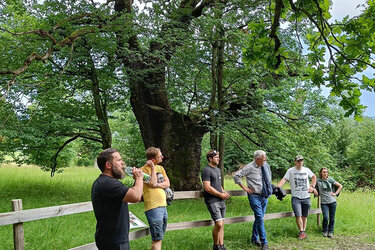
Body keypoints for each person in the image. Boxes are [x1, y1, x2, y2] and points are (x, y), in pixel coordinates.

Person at [91, 148, 143, 250]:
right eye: (119, 160)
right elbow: (135, 196)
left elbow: (132, 194)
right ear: (108, 165)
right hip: (114, 241)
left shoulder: (107, 182)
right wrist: (139, 178)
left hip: (113, 239)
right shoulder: (107, 183)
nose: (123, 163)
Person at [233, 150, 272, 250]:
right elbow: (236, 176)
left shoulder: (265, 166)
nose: (265, 160)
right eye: (263, 158)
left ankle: (254, 239)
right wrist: (244, 188)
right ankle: (264, 242)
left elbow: (268, 179)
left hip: (264, 195)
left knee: (259, 218)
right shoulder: (250, 167)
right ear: (257, 159)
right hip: (254, 196)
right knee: (259, 217)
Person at [277, 155, 318, 240]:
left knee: (304, 215)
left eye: (301, 161)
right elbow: (284, 179)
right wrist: (278, 187)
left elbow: (314, 177)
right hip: (296, 197)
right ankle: (301, 232)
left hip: (306, 196)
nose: (300, 162)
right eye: (298, 161)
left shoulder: (306, 170)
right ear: (295, 162)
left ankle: (303, 232)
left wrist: (312, 186)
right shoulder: (290, 171)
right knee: (298, 215)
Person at [140, 147, 170, 250]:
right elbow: (151, 183)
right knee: (157, 238)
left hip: (163, 205)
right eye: (160, 155)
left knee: (160, 237)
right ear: (153, 159)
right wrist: (152, 169)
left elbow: (167, 183)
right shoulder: (142, 171)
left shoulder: (161, 168)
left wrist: (157, 184)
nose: (162, 156)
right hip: (153, 207)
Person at [201, 149, 230, 250]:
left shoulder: (218, 170)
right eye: (216, 157)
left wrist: (223, 192)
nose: (219, 159)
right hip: (212, 200)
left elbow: (218, 185)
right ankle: (215, 245)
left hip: (221, 200)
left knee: (222, 223)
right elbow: (207, 187)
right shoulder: (206, 170)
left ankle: (221, 246)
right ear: (210, 158)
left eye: (218, 157)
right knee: (219, 223)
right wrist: (220, 194)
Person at [316, 167, 343, 238]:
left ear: (328, 173)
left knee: (332, 218)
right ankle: (324, 230)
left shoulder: (330, 180)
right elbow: (313, 187)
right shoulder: (318, 181)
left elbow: (340, 186)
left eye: (326, 172)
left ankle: (330, 232)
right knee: (325, 217)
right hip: (324, 202)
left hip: (332, 201)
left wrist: (335, 193)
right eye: (323, 172)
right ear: (321, 173)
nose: (325, 173)